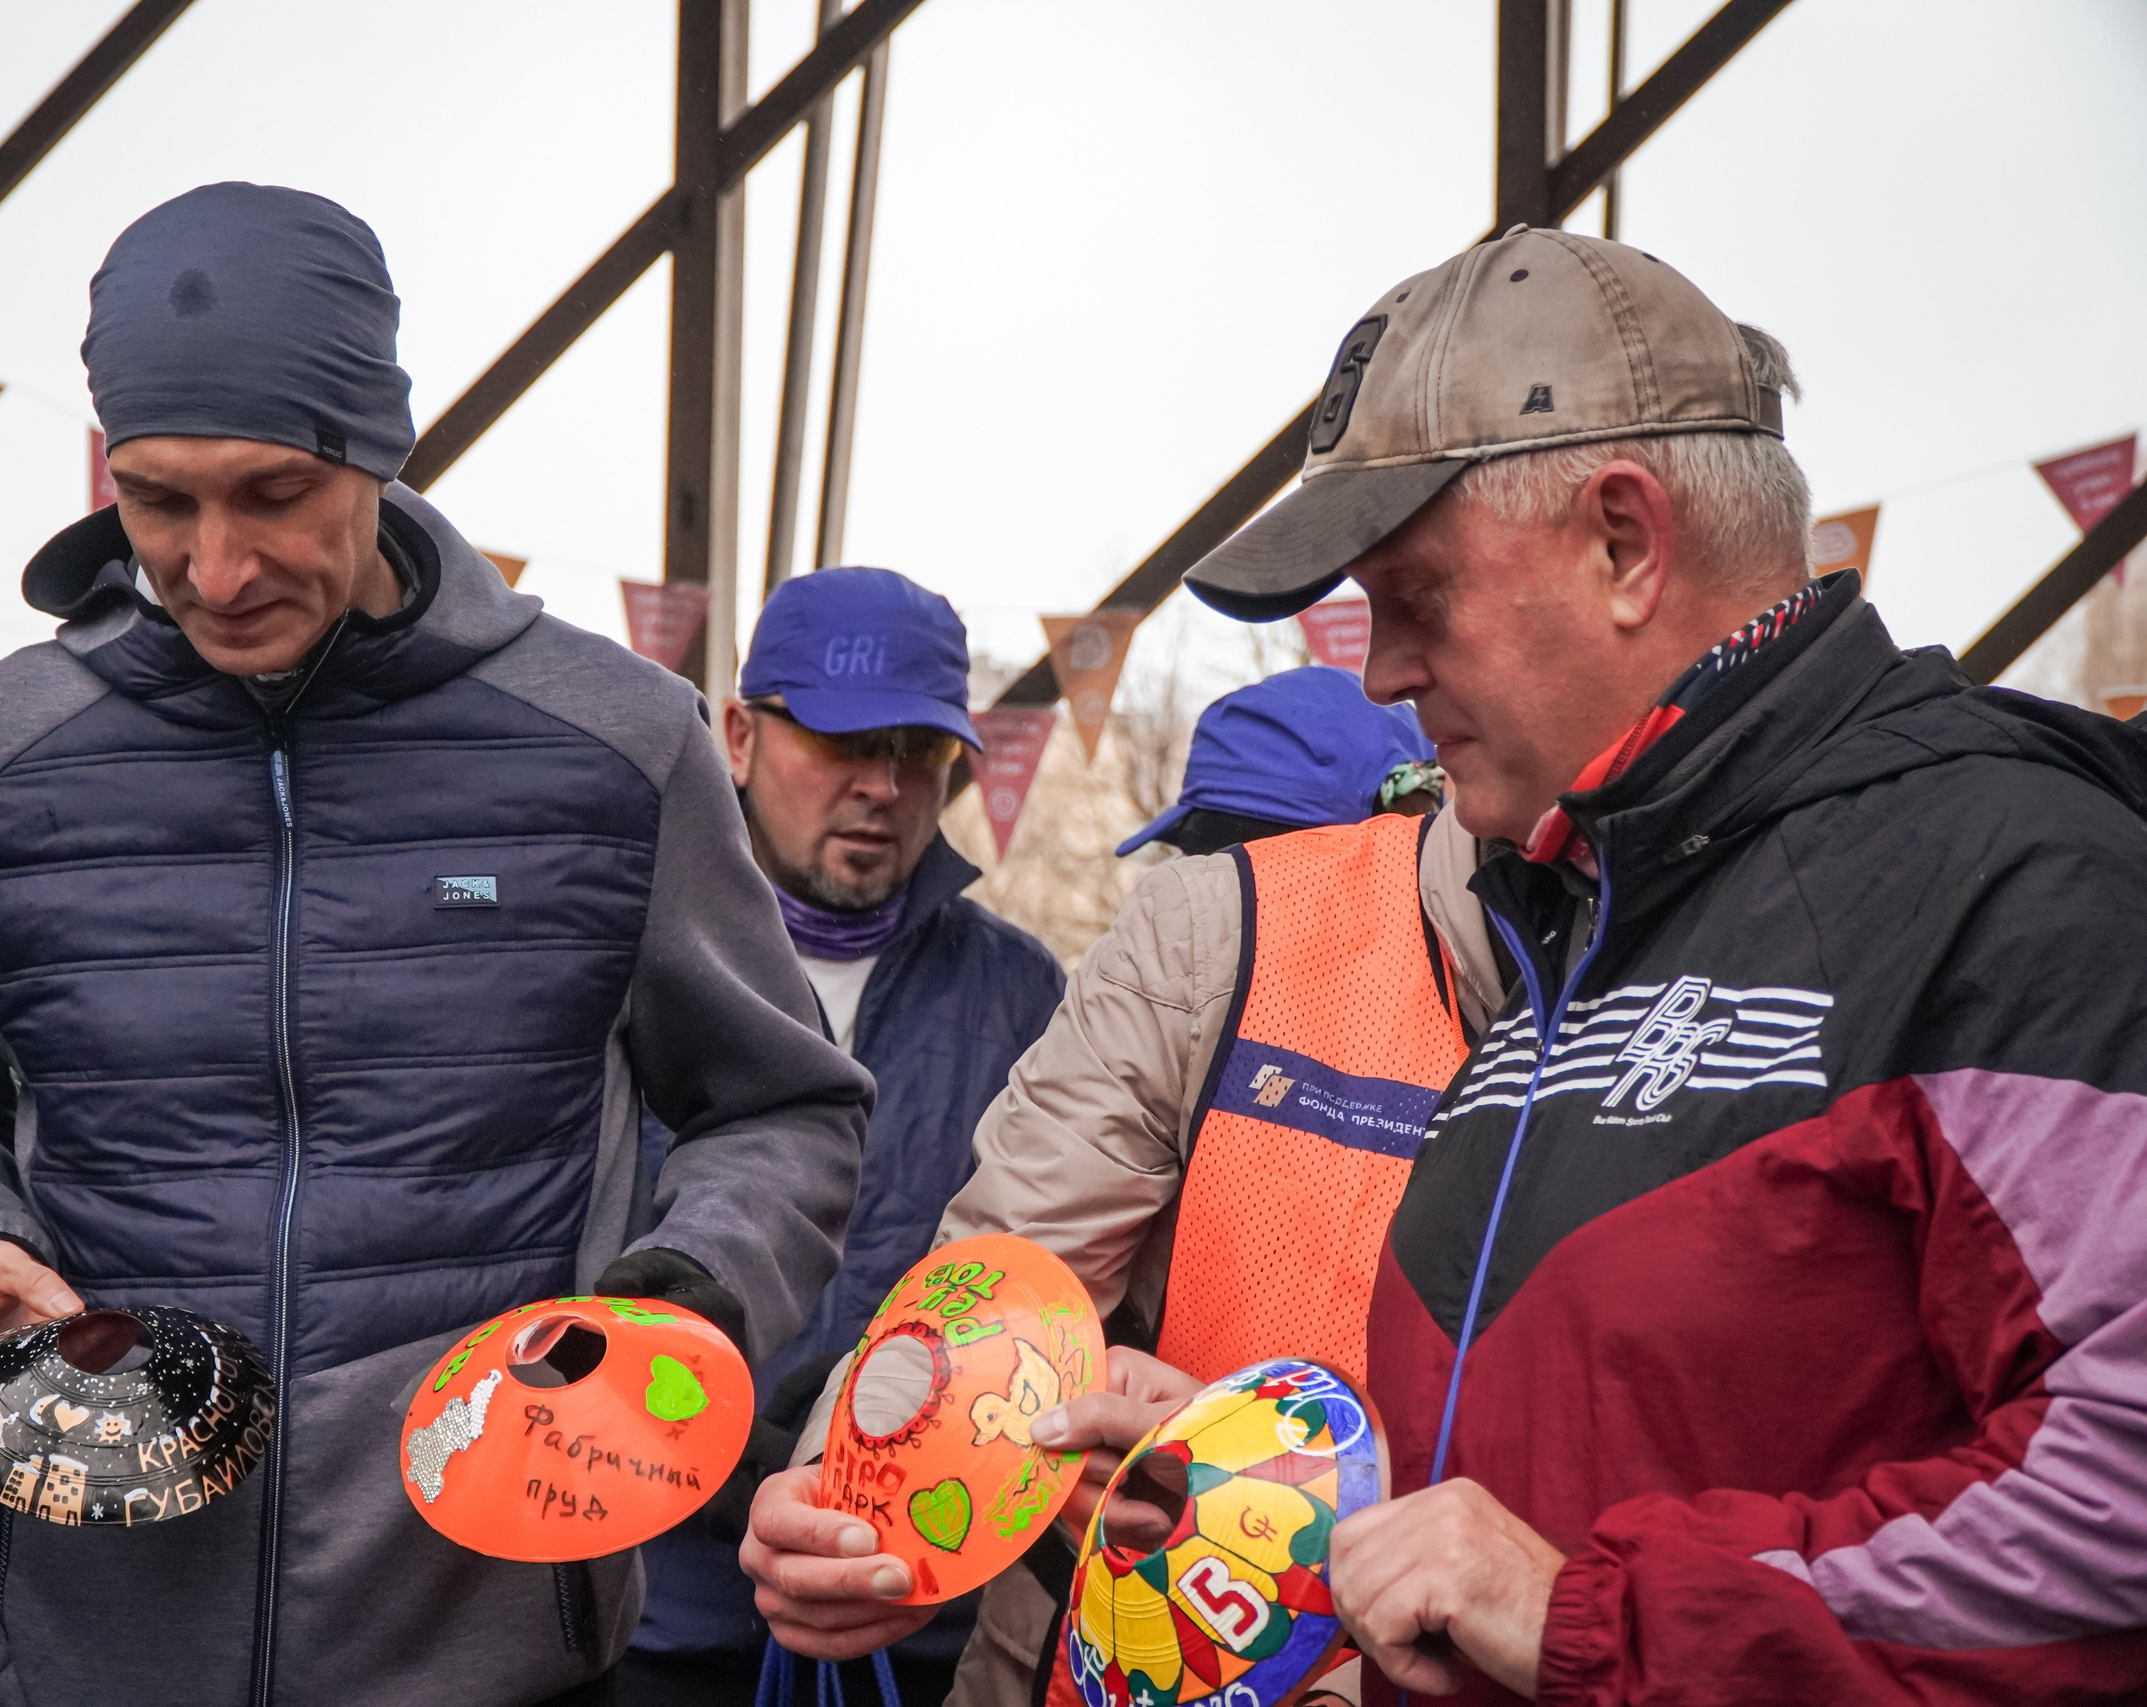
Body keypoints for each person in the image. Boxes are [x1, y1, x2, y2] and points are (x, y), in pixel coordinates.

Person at [0, 182, 871, 1707]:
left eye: (276, 491)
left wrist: (682, 1298)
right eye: (158, 500)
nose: (217, 566)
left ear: (382, 447)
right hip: (83, 1643)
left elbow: (784, 1107)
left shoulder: (614, 743)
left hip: (500, 1639)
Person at [1171, 227, 2147, 1702]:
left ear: (1624, 542)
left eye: (1414, 595)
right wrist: (1247, 1479)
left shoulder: (2015, 880)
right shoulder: (1572, 900)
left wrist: (1593, 1618)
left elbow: (2120, 1489)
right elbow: (1564, 1449)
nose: (1378, 671)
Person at [740, 665, 1501, 1707]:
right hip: (1080, 1633)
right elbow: (1006, 1267)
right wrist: (859, 1479)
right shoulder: (1188, 944)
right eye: (1202, 844)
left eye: (1253, 836)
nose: (1239, 877)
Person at [623, 568, 1064, 1707]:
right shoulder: (622, 966)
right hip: (648, 1596)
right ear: (737, 736)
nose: (883, 784)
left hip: (905, 1605)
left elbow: (1048, 1293)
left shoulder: (1028, 997)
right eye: (843, 741)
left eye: (922, 750)